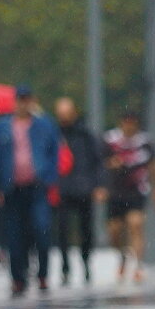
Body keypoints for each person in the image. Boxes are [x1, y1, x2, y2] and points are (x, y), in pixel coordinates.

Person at [0, 85, 61, 296]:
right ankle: (18, 277)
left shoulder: (44, 125)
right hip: (11, 189)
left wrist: (50, 177)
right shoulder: (1, 128)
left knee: (41, 229)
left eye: (27, 100)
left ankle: (42, 273)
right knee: (14, 235)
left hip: (37, 187)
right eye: (20, 100)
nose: (23, 104)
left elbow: (56, 151)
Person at [103, 110, 155, 283]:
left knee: (136, 225)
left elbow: (153, 166)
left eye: (132, 122)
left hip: (137, 190)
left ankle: (138, 266)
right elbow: (101, 162)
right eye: (126, 122)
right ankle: (122, 255)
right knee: (114, 231)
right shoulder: (110, 141)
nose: (129, 126)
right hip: (115, 191)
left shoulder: (145, 143)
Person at [54, 98, 106, 285]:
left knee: (86, 230)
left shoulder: (86, 134)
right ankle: (65, 266)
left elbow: (98, 160)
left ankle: (86, 263)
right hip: (62, 189)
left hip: (84, 188)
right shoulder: (55, 134)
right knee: (62, 231)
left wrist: (99, 185)